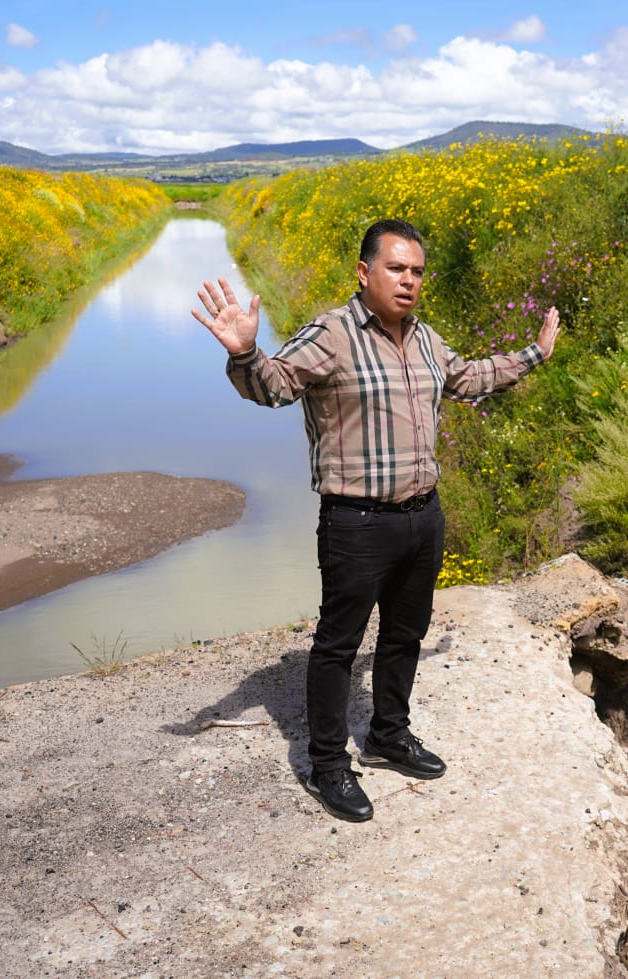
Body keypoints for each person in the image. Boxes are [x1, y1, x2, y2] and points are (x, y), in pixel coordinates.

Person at [193, 219, 559, 822]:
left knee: (404, 636)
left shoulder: (425, 338)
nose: (409, 281)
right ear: (364, 273)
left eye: (416, 271)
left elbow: (467, 377)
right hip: (356, 524)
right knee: (338, 647)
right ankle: (329, 766)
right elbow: (275, 386)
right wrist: (245, 353)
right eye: (396, 268)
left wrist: (535, 355)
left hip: (423, 518)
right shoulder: (331, 334)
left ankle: (389, 735)